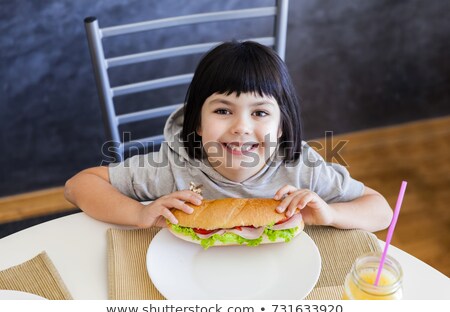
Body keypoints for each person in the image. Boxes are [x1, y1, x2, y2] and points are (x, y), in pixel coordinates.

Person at [65, 41, 392, 232]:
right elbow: (78, 186)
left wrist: (330, 214)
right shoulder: (172, 168)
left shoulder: (301, 170)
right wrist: (139, 213)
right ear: (197, 123)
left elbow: (380, 210)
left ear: (280, 127)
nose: (241, 127)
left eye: (260, 113)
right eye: (223, 111)